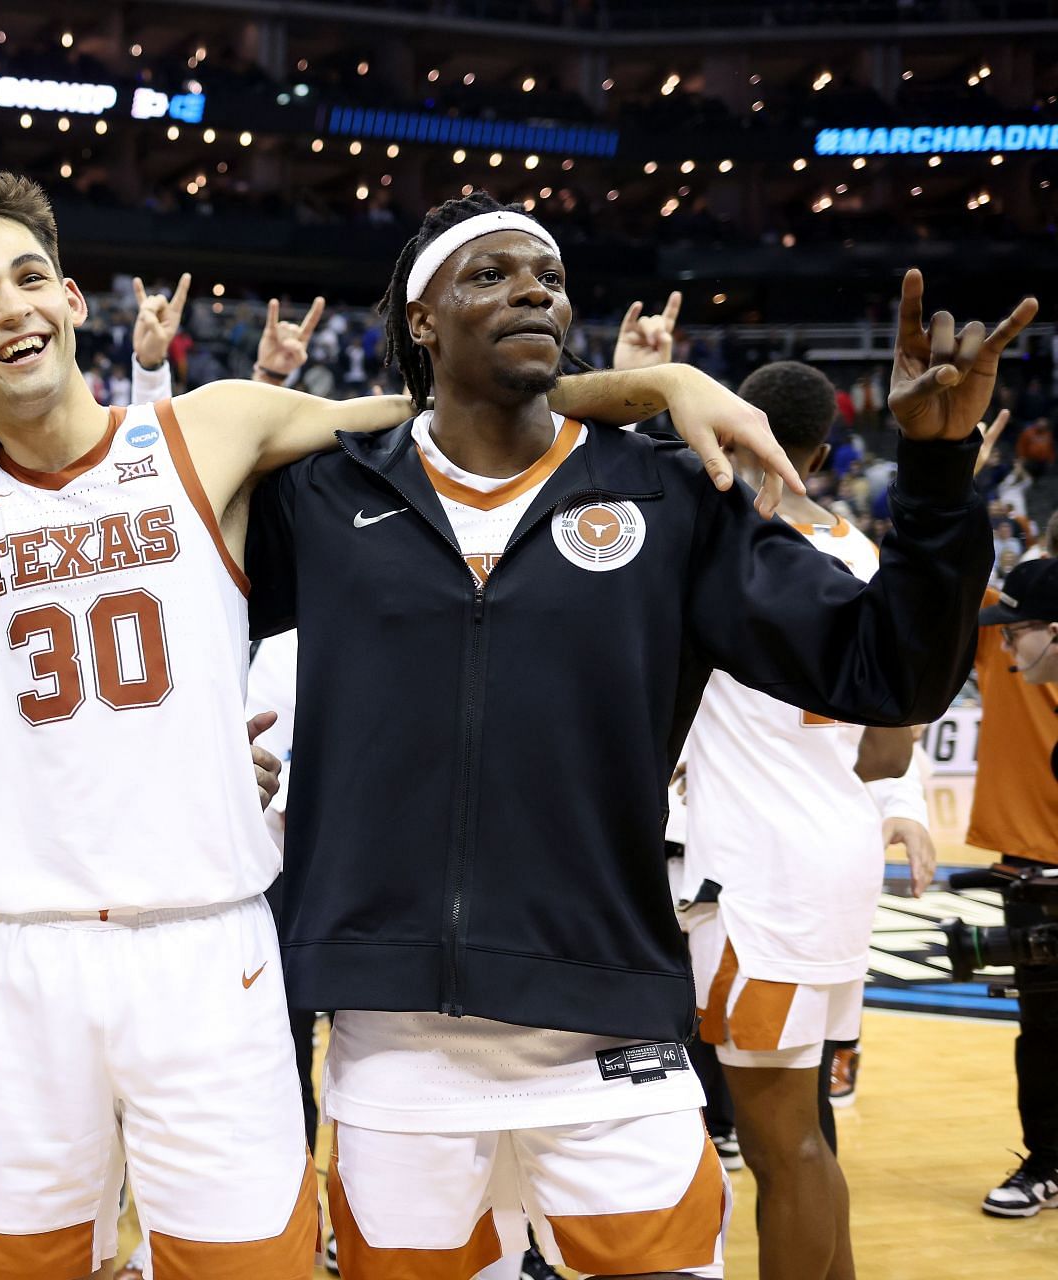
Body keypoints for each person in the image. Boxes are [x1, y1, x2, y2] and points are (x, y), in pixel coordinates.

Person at [0, 171, 791, 1279]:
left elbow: (448, 406)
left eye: (29, 278)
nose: (12, 308)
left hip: (207, 948)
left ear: (71, 300)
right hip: (17, 949)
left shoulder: (210, 428)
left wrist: (664, 386)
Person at [241, 192, 1020, 1278]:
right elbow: (163, 593)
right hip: (392, 1042)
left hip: (612, 1026)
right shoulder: (324, 495)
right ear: (420, 319)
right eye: (490, 274)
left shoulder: (665, 494)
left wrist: (934, 484)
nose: (531, 290)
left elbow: (885, 666)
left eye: (548, 277)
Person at [677, 360, 931, 1280]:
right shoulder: (860, 556)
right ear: (824, 452)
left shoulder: (716, 550)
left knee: (782, 1151)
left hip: (760, 875)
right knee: (812, 1137)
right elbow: (889, 754)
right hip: (839, 852)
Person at [964, 555, 1058, 1218]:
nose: (998, 642)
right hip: (1027, 865)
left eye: (1013, 629)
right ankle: (1048, 1161)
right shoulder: (1008, 650)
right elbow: (949, 568)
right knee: (1042, 1027)